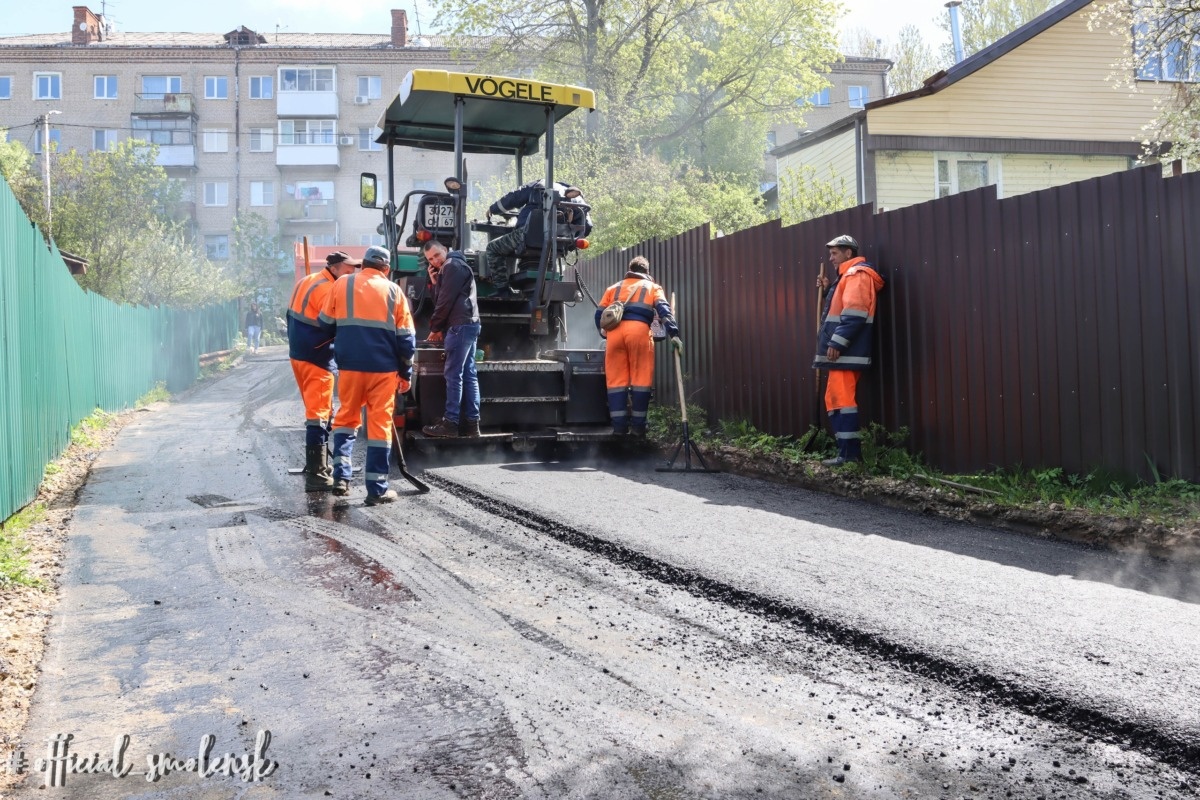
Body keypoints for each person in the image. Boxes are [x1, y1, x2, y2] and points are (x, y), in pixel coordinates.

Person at [319, 246, 416, 505]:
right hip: (383, 371)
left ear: (363, 264)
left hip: (350, 367)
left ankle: (341, 478)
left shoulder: (341, 284)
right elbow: (406, 339)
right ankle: (377, 489)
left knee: (346, 419)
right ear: (386, 269)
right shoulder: (394, 291)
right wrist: (406, 373)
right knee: (379, 426)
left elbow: (325, 324)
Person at [286, 251, 360, 492]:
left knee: (317, 410)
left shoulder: (307, 280)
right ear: (336, 268)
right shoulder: (328, 290)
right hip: (317, 356)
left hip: (299, 354)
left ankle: (319, 465)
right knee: (318, 414)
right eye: (349, 271)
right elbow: (337, 324)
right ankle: (317, 474)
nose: (352, 275)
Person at [814, 234, 885, 467]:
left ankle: (849, 456)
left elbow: (855, 312)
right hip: (845, 352)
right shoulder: (847, 277)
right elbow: (842, 307)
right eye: (830, 254)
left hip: (846, 352)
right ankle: (846, 453)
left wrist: (837, 343)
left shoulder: (856, 275)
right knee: (836, 399)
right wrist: (828, 291)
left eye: (835, 253)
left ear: (848, 253)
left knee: (841, 400)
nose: (831, 258)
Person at [595, 256, 680, 438]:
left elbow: (599, 315)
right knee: (640, 382)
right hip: (639, 333)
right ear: (647, 272)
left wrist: (605, 333)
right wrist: (674, 334)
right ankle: (638, 430)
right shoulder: (652, 287)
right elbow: (664, 311)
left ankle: (619, 430)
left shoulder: (613, 288)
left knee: (616, 383)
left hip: (614, 336)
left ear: (630, 269)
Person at [421, 240, 482, 438]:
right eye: (430, 259)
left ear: (445, 250)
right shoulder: (451, 267)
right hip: (467, 324)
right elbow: (444, 298)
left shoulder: (452, 265)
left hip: (459, 325)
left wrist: (435, 327)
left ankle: (451, 423)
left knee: (453, 375)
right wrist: (434, 282)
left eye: (437, 255)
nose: (435, 261)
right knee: (468, 374)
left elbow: (444, 303)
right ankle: (472, 425)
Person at [484, 180, 590, 292]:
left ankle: (502, 289)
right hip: (557, 243)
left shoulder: (539, 185)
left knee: (492, 248)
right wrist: (568, 244)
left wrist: (492, 209)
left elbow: (514, 198)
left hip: (527, 236)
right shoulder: (577, 199)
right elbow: (587, 226)